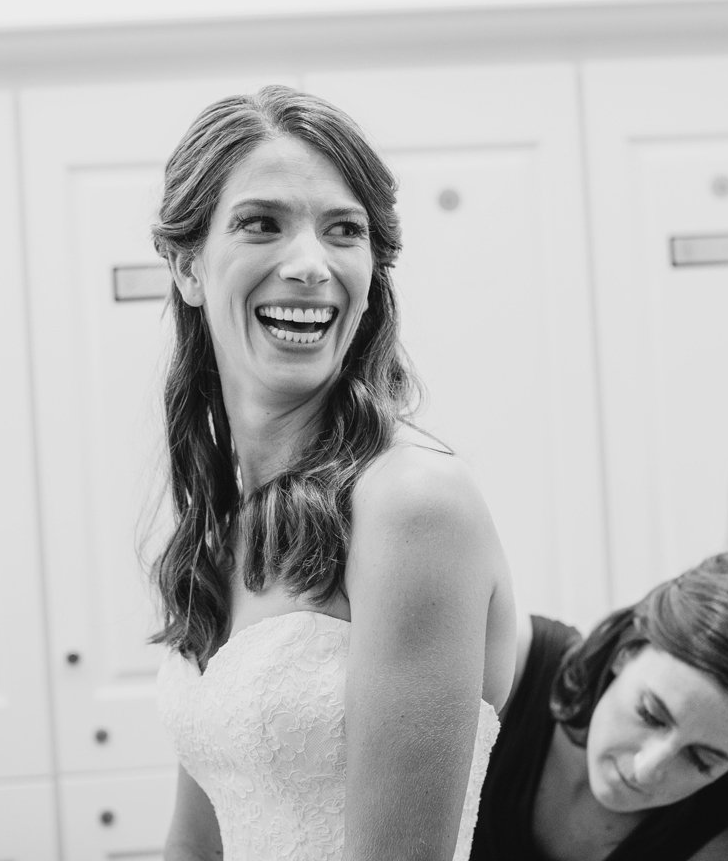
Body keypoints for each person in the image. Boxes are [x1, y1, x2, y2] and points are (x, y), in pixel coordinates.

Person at [148, 85, 517, 861]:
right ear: (186, 267)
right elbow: (195, 843)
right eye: (262, 224)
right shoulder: (222, 517)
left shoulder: (412, 507)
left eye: (343, 231)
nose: (311, 265)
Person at [472, 550, 728, 861]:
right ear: (627, 651)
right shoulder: (509, 666)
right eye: (650, 714)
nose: (646, 770)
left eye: (702, 759)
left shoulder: (725, 834)